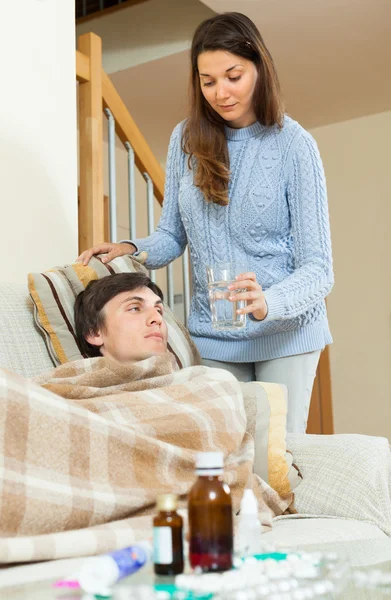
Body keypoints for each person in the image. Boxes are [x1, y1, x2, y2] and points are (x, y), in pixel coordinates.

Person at [77, 12, 334, 433]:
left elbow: (319, 270)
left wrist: (269, 302)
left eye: (233, 76)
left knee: (272, 461)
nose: (221, 92)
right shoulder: (186, 139)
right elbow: (171, 236)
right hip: (215, 336)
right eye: (207, 80)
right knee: (222, 452)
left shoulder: (295, 145)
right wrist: (130, 248)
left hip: (286, 335)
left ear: (259, 69)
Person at [74, 272, 168, 363]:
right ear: (94, 333)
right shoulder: (68, 378)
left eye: (159, 310)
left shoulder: (182, 377)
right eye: (135, 308)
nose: (158, 318)